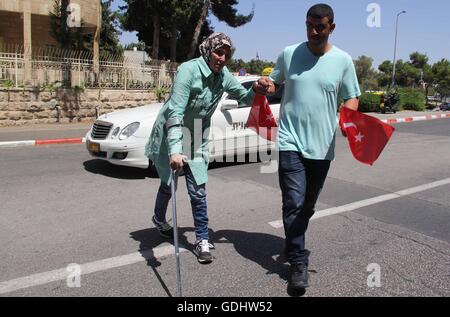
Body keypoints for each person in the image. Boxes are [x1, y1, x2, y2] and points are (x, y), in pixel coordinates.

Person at [257, 3, 361, 290]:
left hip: (322, 146)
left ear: (331, 28)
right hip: (290, 140)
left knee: (307, 205)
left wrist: (348, 115)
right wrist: (264, 84)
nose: (314, 32)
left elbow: (352, 96)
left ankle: (293, 241)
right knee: (293, 201)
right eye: (309, 26)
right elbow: (273, 84)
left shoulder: (343, 60)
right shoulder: (289, 53)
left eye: (321, 27)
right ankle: (299, 263)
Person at [145, 33, 260, 264]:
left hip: (197, 136)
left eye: (227, 54)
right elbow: (175, 113)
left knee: (198, 191)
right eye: (219, 52)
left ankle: (201, 239)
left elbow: (245, 98)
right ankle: (159, 219)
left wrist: (257, 88)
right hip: (172, 132)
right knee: (168, 183)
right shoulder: (188, 71)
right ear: (208, 51)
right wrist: (175, 151)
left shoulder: (224, 76)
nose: (222, 58)